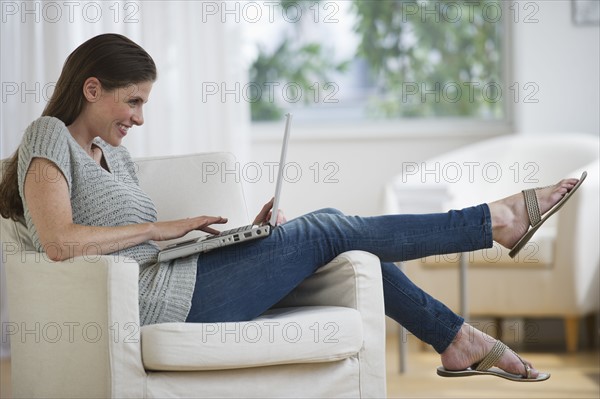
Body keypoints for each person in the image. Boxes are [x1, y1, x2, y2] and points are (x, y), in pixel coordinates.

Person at [0, 33, 583, 383]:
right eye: (133, 101)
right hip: (156, 304)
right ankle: (496, 221)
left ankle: (455, 341)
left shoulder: (115, 156)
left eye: (146, 103)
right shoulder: (49, 135)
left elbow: (142, 248)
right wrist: (160, 226)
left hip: (188, 277)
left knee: (341, 235)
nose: (140, 118)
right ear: (92, 88)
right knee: (330, 225)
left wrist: (240, 239)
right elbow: (60, 243)